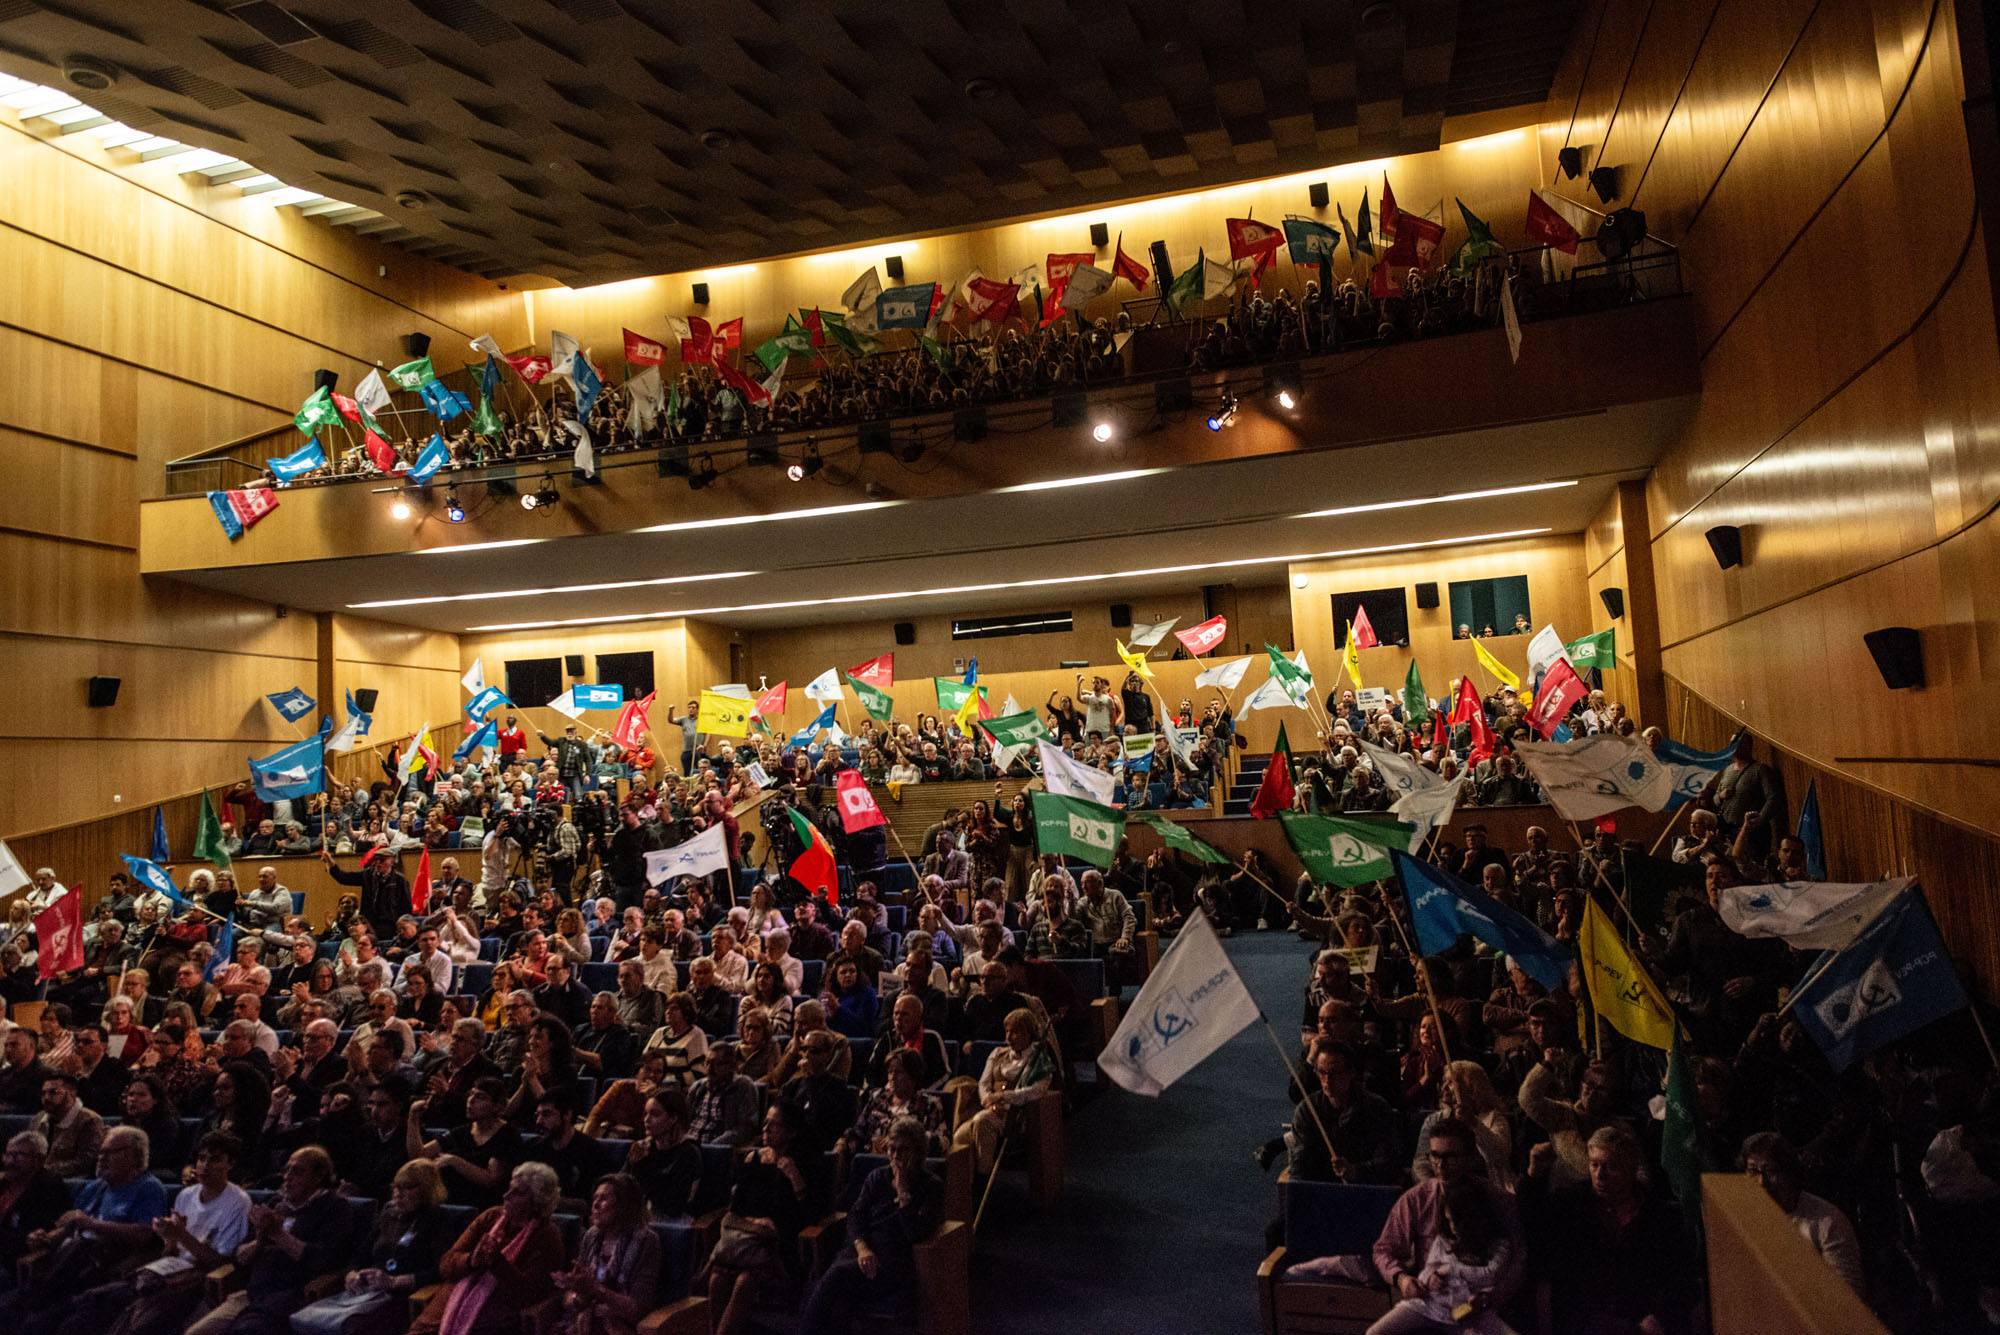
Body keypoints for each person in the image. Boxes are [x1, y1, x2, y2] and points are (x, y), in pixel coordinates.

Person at [63, 1131, 251, 1335]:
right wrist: (169, 1238)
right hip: (170, 1270)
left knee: (137, 1320)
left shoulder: (238, 1202)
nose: (205, 1166)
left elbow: (221, 1263)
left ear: (230, 1164)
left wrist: (181, 1235)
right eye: (201, 1158)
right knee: (91, 1304)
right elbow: (171, 1252)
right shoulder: (186, 1195)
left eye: (215, 1160)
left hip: (198, 1280)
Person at [1522, 1124, 1697, 1335]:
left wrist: (1659, 1316)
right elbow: (1532, 1223)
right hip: (1587, 1322)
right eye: (1594, 1165)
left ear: (1631, 1169)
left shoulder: (1661, 1216)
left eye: (1611, 1167)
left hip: (1642, 1322)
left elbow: (1684, 1278)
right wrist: (1534, 1175)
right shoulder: (1572, 1205)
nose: (1599, 1175)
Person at [182, 1145, 352, 1335]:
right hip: (252, 1295)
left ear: (318, 1176)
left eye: (297, 1171)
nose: (287, 1176)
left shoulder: (334, 1208)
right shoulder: (274, 1203)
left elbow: (323, 1260)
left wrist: (278, 1235)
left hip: (294, 1298)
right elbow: (240, 1257)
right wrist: (260, 1240)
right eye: (286, 1170)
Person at [800, 1116, 945, 1335]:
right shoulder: (878, 1177)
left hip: (892, 1261)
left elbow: (915, 1234)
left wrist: (903, 1194)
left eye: (903, 1150)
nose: (895, 1156)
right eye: (891, 1149)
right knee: (833, 1290)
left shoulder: (931, 1186)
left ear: (918, 1152)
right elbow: (855, 1216)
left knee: (835, 1278)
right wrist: (862, 1248)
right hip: (861, 1251)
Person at [289, 1159, 455, 1335]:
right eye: (395, 1187)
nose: (397, 1193)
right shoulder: (388, 1214)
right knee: (302, 1320)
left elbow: (441, 1270)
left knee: (352, 1327)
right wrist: (352, 1274)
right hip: (366, 1292)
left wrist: (395, 1282)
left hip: (403, 1297)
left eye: (407, 1187)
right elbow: (360, 1256)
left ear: (427, 1189)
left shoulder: (439, 1218)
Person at [407, 1163, 566, 1335]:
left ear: (537, 1202)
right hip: (452, 1301)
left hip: (493, 1317)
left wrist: (498, 1263)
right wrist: (471, 1261)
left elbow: (527, 1295)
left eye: (518, 1193)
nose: (506, 1196)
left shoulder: (547, 1236)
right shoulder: (491, 1217)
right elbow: (446, 1264)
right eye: (509, 1189)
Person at [703, 1102, 811, 1335]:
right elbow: (735, 1210)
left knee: (745, 1281)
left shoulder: (804, 1162)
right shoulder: (753, 1159)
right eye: (765, 1123)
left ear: (790, 1132)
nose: (766, 1129)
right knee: (717, 1280)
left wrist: (795, 1179)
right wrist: (757, 1224)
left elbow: (809, 1216)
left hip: (781, 1247)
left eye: (774, 1125)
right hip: (748, 1240)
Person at [1739, 1131, 1864, 1297]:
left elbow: (1847, 1298)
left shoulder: (1828, 1223)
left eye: (1771, 1171)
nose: (1762, 1182)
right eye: (1753, 1172)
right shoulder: (1742, 1219)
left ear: (1789, 1172)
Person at [548, 1174, 660, 1335]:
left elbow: (638, 1310)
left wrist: (596, 1290)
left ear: (624, 1205)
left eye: (604, 1199)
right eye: (595, 1198)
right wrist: (578, 1291)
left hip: (620, 1326)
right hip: (583, 1321)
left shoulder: (645, 1241)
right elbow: (572, 1299)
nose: (595, 1205)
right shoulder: (591, 1236)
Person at [952, 1008, 1056, 1174]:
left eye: (1015, 1032)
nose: (1008, 1037)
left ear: (1028, 1034)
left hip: (1015, 1116)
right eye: (1007, 1031)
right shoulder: (998, 1053)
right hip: (989, 1108)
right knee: (960, 1136)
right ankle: (966, 1181)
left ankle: (984, 1175)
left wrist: (1003, 1097)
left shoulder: (1038, 1060)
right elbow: (984, 1084)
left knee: (982, 1122)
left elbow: (1036, 1091)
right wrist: (989, 1102)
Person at [0, 1131, 70, 1291]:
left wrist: (18, 1239)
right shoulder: (5, 1183)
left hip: (15, 1263)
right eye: (8, 1154)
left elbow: (34, 1239)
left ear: (38, 1160)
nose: (9, 1161)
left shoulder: (49, 1188)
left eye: (18, 1155)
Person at [622, 1089, 700, 1221]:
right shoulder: (643, 1147)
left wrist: (642, 1165)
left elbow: (672, 1205)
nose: (646, 1120)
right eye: (646, 1114)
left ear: (673, 1118)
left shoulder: (689, 1153)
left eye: (655, 1114)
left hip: (672, 1221)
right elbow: (622, 1185)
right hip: (640, 1214)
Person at [30, 1072, 104, 1179]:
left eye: (53, 1092)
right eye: (43, 1093)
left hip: (70, 1181)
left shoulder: (89, 1121)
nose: (46, 1098)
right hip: (37, 1178)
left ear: (72, 1094)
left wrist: (45, 1171)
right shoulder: (38, 1118)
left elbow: (85, 1162)